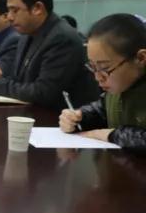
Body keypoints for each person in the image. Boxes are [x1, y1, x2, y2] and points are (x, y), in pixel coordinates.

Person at [0, 0, 99, 108]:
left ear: (37, 8)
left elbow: (42, 92)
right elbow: (22, 82)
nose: (9, 17)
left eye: (15, 10)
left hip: (55, 117)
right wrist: (0, 76)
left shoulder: (61, 38)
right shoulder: (26, 34)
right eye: (8, 10)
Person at [59, 14, 146, 150]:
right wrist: (80, 118)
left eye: (105, 68)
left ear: (140, 58)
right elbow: (102, 110)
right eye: (93, 67)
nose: (98, 77)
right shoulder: (120, 85)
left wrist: (114, 135)